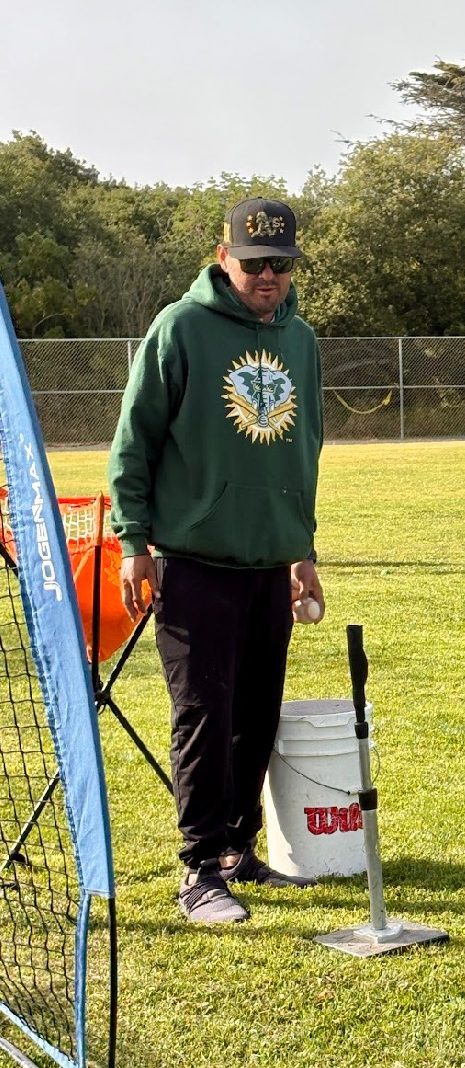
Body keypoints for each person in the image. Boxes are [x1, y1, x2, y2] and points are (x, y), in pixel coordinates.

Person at [108, 197, 325, 925]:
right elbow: (135, 440)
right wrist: (133, 542)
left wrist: (302, 550)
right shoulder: (181, 327)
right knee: (205, 713)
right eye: (254, 262)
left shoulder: (302, 341)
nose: (268, 276)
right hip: (193, 560)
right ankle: (199, 869)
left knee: (256, 716)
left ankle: (237, 850)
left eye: (281, 264)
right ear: (223, 256)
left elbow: (305, 451)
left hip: (270, 561)